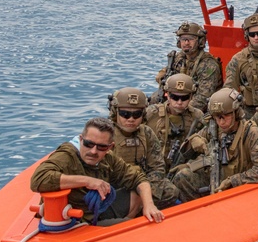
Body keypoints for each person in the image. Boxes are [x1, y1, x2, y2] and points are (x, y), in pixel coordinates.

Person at [29, 117, 164, 225]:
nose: (93, 151)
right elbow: (38, 179)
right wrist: (88, 181)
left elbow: (138, 178)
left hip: (95, 211)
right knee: (129, 227)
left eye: (101, 147)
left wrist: (149, 205)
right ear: (81, 140)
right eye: (88, 144)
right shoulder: (66, 156)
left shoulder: (109, 158)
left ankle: (106, 228)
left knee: (137, 194)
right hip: (72, 219)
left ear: (110, 147)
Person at [171, 88, 258, 201]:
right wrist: (193, 141)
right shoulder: (213, 128)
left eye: (225, 116)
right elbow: (185, 152)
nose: (221, 122)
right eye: (217, 117)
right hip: (215, 175)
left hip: (240, 183)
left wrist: (233, 181)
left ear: (236, 113)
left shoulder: (251, 133)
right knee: (182, 177)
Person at [108, 87, 179, 208]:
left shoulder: (146, 133)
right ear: (116, 112)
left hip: (143, 183)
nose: (131, 119)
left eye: (137, 114)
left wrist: (145, 189)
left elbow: (157, 167)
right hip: (115, 186)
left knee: (171, 191)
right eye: (125, 114)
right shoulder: (106, 133)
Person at [152, 21, 222, 112]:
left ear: (200, 41)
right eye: (183, 39)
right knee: (154, 99)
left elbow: (202, 98)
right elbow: (163, 75)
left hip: (199, 107)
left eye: (191, 39)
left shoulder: (208, 65)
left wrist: (180, 111)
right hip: (180, 98)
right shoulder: (179, 58)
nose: (186, 43)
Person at [145, 73, 204, 170]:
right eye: (175, 97)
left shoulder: (197, 116)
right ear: (167, 95)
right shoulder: (151, 113)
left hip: (182, 169)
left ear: (191, 97)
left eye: (184, 98)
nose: (179, 102)